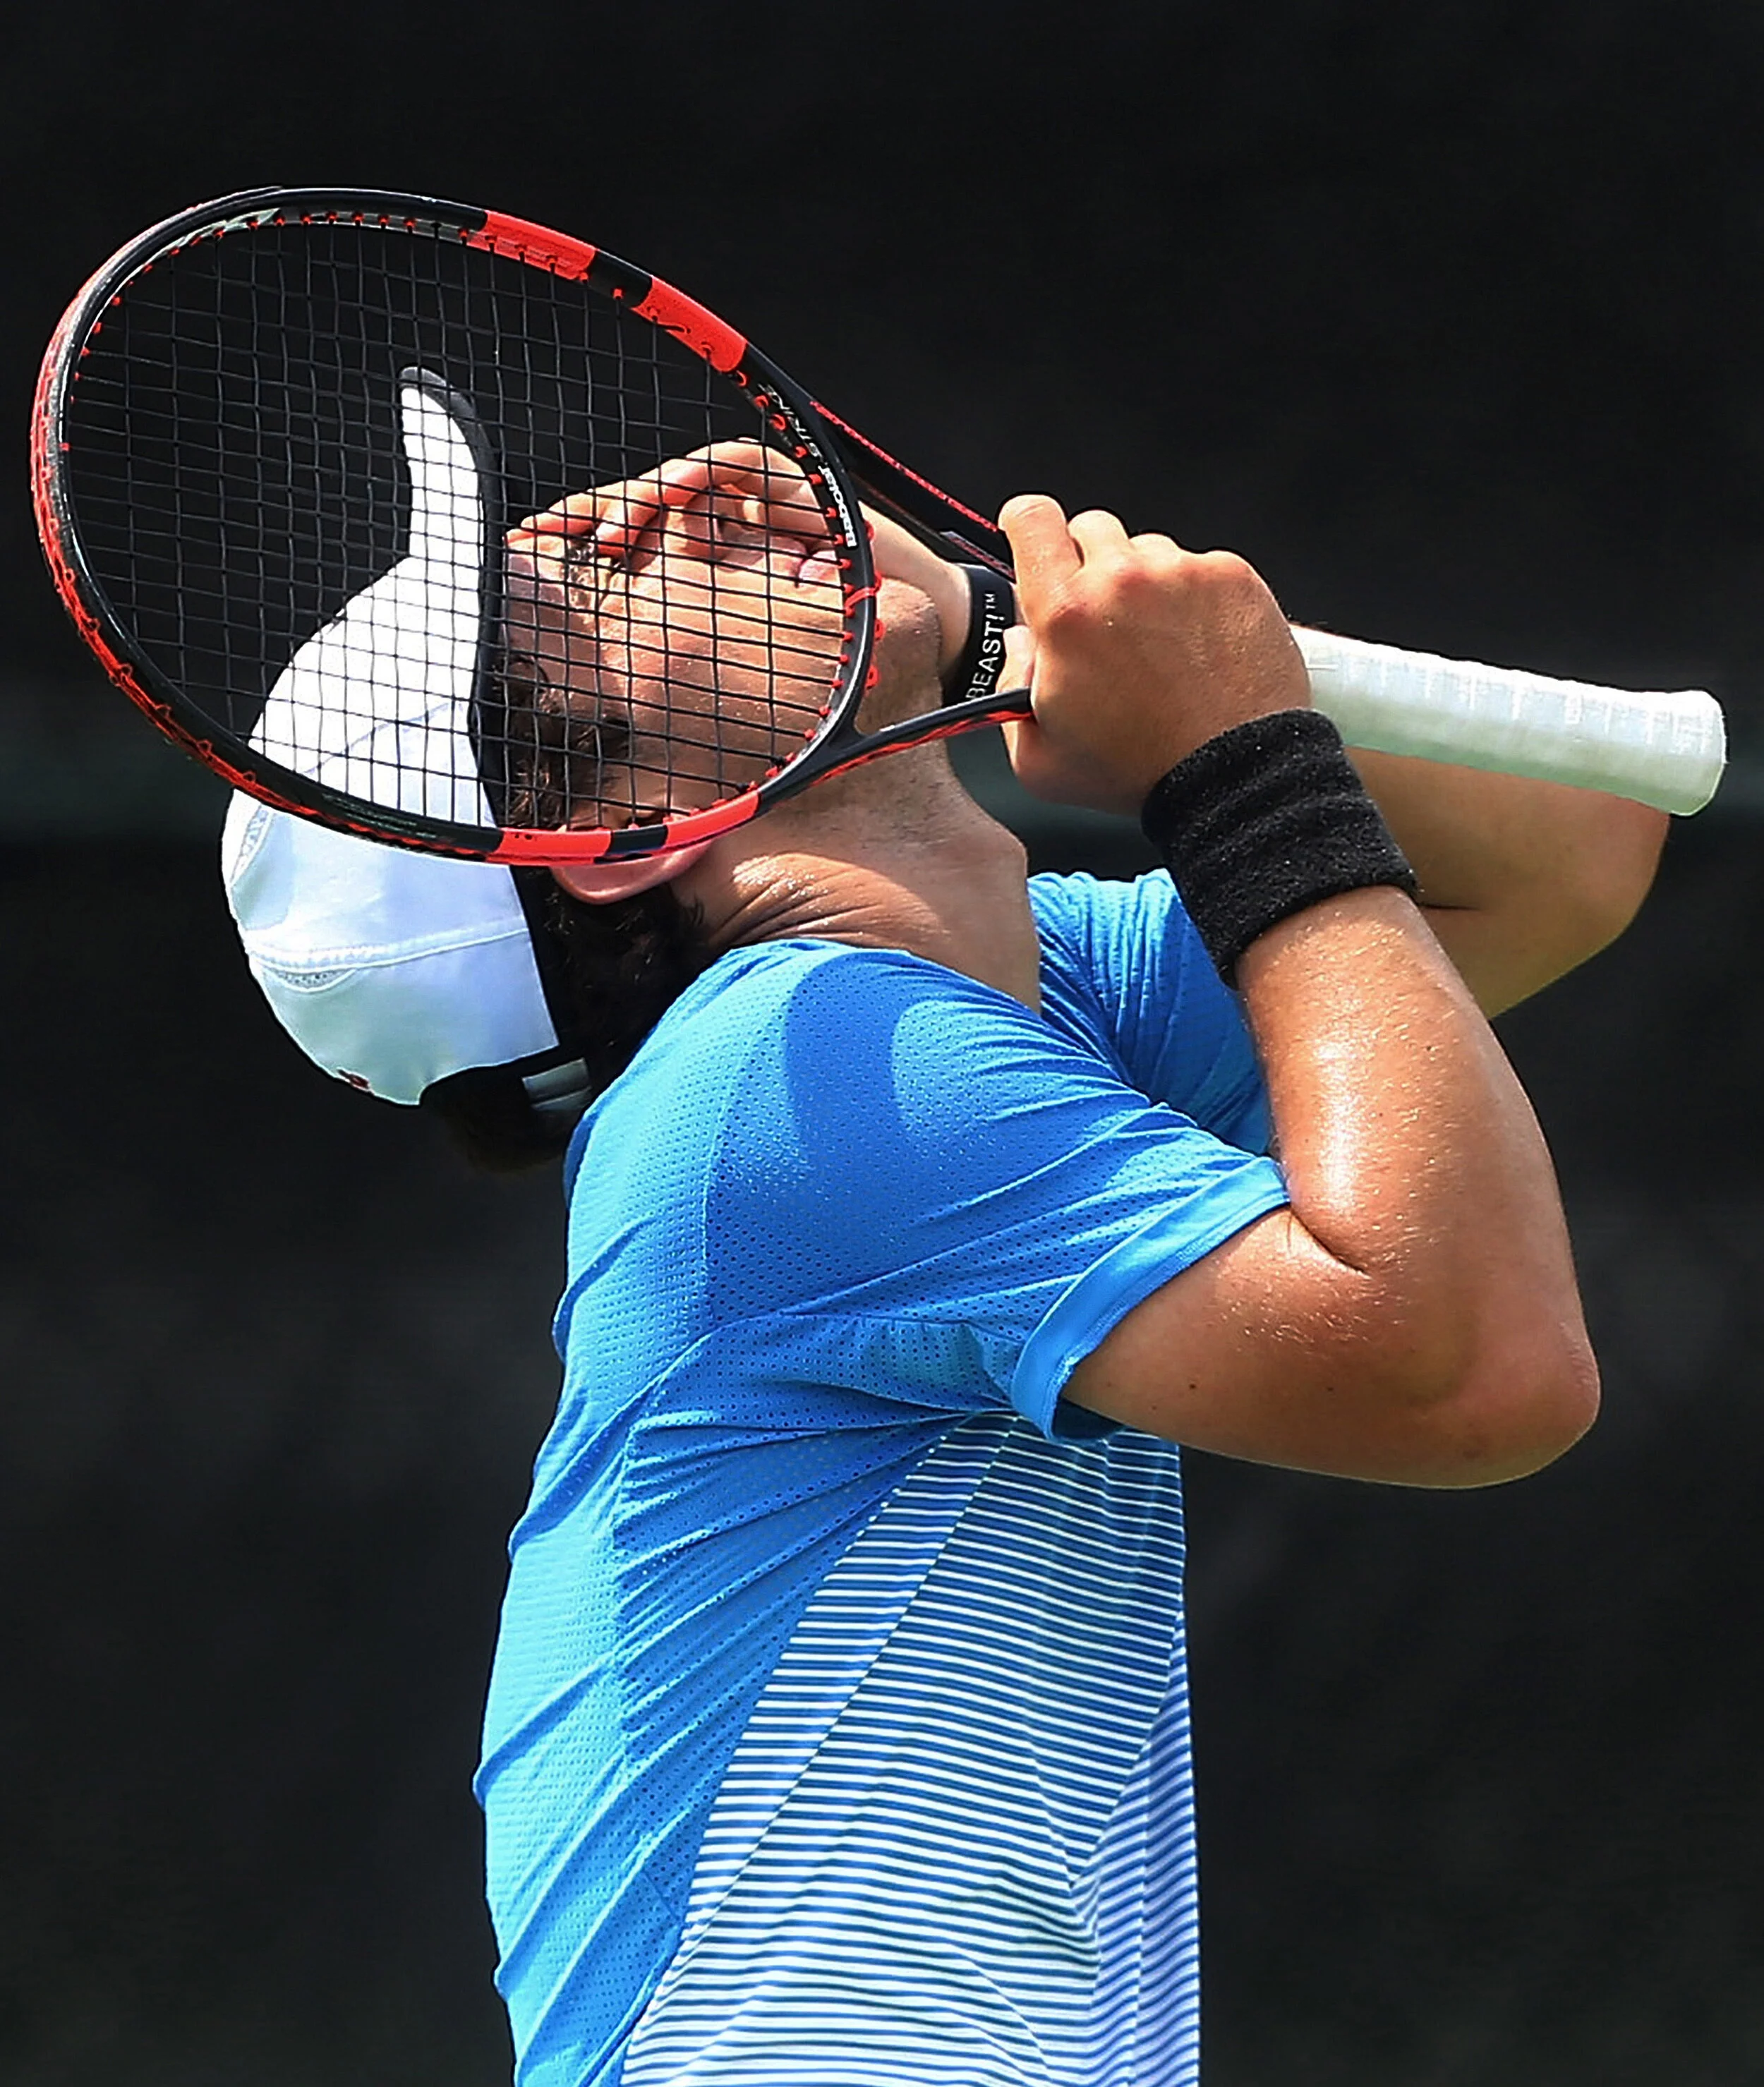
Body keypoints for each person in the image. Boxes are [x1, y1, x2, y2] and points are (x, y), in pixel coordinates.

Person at [224, 440, 1665, 2086]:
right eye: (568, 588)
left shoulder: (1028, 1004)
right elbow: (1470, 1370)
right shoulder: (798, 1070)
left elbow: (1569, 838)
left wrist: (1003, 632)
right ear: (622, 833)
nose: (649, 511)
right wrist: (1236, 766)